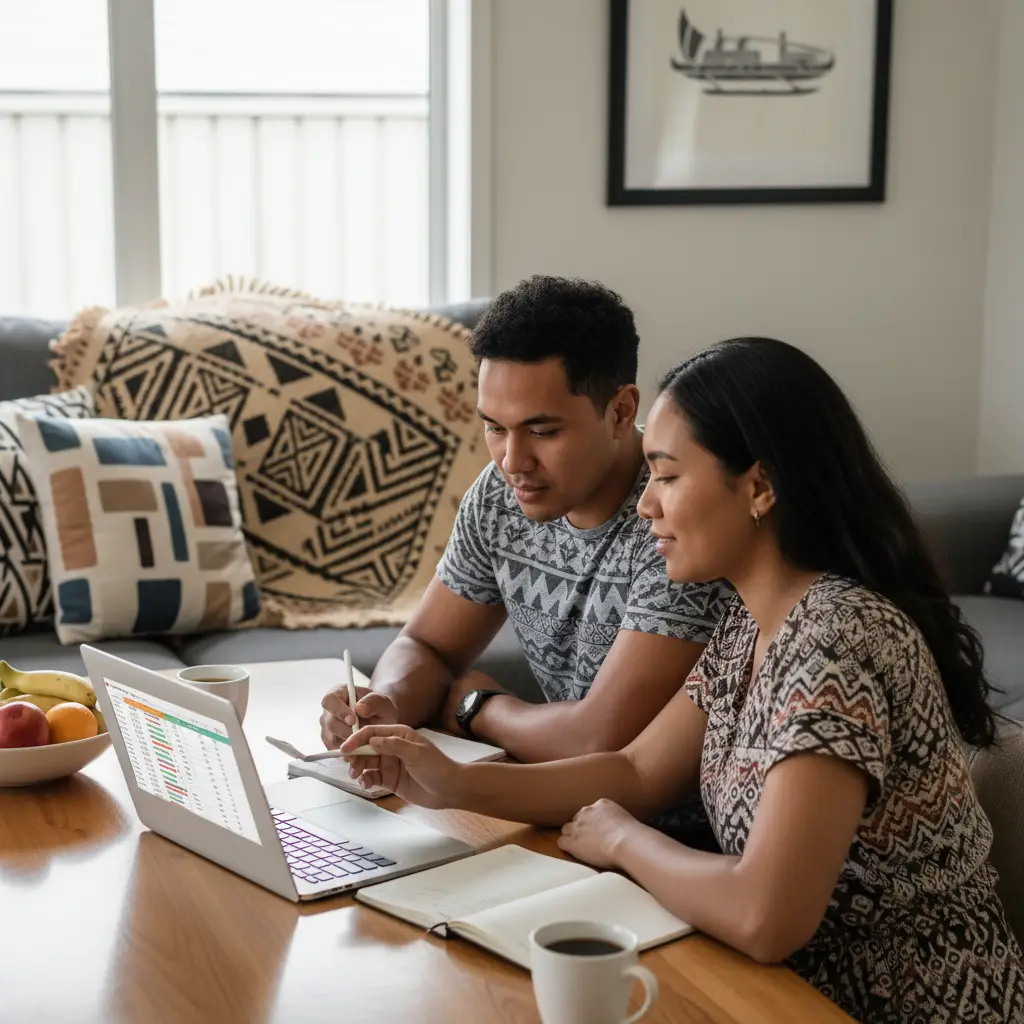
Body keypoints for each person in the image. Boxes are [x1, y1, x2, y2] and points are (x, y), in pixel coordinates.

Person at [339, 337, 1024, 1024]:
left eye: (666, 477)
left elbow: (765, 915)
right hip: (779, 988)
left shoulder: (835, 643)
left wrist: (625, 842)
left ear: (758, 487)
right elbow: (636, 771)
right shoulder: (750, 624)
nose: (646, 506)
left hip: (894, 1004)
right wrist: (447, 781)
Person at [319, 276, 730, 779]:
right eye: (494, 427)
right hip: (567, 808)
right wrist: (387, 706)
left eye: (542, 431)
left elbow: (599, 739)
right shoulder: (500, 494)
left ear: (621, 411)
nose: (512, 461)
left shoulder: (674, 518)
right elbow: (427, 647)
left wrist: (478, 707)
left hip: (670, 835)